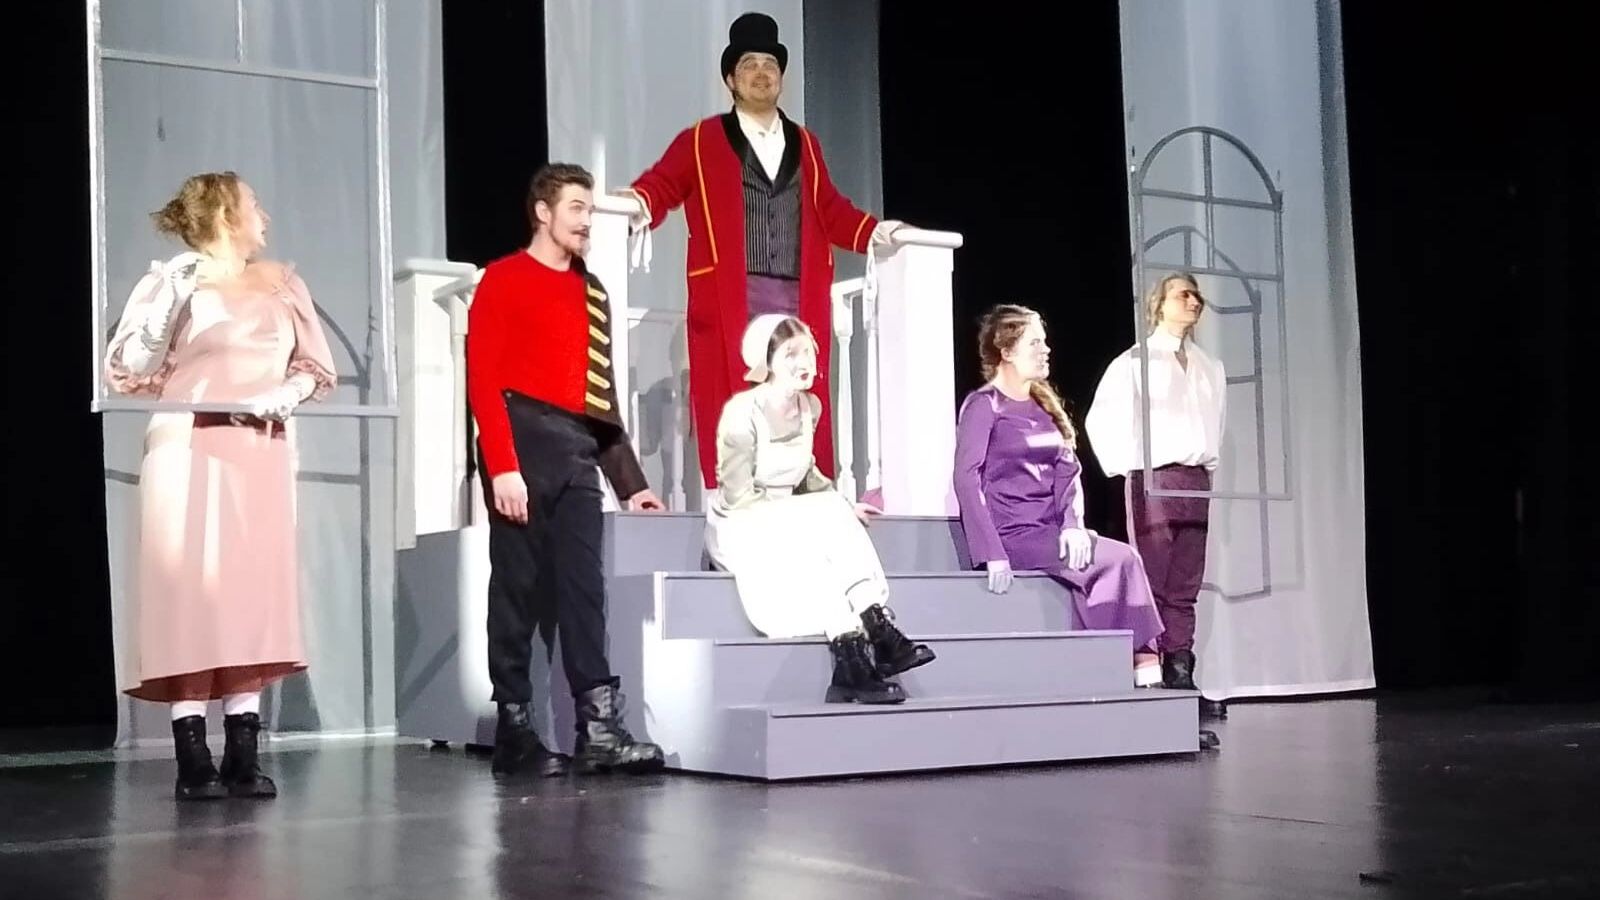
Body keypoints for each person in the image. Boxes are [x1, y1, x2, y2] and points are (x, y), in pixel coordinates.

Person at [105, 171, 338, 801]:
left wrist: (287, 393)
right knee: (190, 592)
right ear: (225, 213)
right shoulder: (172, 280)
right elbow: (127, 370)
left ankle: (243, 753)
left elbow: (314, 366)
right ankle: (192, 758)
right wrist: (169, 303)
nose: (265, 216)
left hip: (257, 446)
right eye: (254, 204)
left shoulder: (282, 282)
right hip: (187, 443)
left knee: (249, 592)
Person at [615, 12, 905, 489]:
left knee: (798, 394)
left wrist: (877, 232)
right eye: (749, 64)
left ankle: (803, 486)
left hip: (797, 293)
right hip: (733, 293)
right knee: (735, 399)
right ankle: (738, 496)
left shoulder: (805, 144)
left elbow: (831, 209)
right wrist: (636, 201)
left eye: (770, 64)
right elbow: (663, 184)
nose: (761, 73)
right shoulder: (701, 139)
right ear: (731, 79)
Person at [466, 162, 667, 778]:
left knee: (585, 591)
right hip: (521, 442)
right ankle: (515, 729)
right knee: (516, 590)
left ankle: (598, 729)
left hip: (576, 452)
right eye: (576, 208)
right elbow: (483, 379)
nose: (586, 221)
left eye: (589, 210)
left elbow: (600, 397)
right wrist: (503, 467)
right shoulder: (503, 278)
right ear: (543, 212)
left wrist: (631, 484)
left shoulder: (592, 291)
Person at [704, 314, 936, 705]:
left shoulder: (809, 406)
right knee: (820, 524)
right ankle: (865, 645)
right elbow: (737, 494)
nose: (804, 362)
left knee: (831, 521)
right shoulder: (743, 412)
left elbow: (806, 473)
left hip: (787, 516)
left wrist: (841, 507)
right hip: (740, 522)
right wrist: (804, 515)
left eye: (807, 352)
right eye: (791, 354)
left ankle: (868, 632)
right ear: (767, 361)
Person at [953, 305, 1165, 687]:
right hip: (1014, 534)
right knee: (1121, 559)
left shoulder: (1042, 405)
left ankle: (1123, 667)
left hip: (1052, 531)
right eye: (1035, 343)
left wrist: (1073, 525)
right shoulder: (984, 406)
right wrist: (991, 552)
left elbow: (1068, 473)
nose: (1046, 349)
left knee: (1120, 558)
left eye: (1045, 341)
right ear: (1006, 351)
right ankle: (1135, 662)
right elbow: (967, 480)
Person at [1085, 273, 1227, 715]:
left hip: (1195, 478)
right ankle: (1149, 672)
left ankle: (1181, 671)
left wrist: (1206, 466)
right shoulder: (1134, 362)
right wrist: (1129, 466)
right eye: (1182, 294)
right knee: (1152, 577)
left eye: (1195, 295)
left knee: (1185, 582)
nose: (1193, 300)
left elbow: (1216, 421)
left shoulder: (1210, 366)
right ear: (1159, 305)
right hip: (1155, 478)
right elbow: (1102, 419)